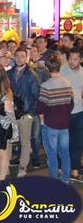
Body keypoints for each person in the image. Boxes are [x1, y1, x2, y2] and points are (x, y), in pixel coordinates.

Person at [38, 54, 74, 184]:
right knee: (65, 153)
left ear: (48, 69)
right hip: (64, 124)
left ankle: (54, 180)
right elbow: (71, 104)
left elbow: (41, 108)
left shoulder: (45, 85)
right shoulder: (67, 82)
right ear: (59, 67)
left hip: (50, 125)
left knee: (52, 154)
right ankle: (65, 178)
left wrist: (42, 123)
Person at [7, 47, 40, 177]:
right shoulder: (9, 74)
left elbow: (37, 96)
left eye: (22, 56)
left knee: (25, 142)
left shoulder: (31, 75)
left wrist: (30, 114)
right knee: (8, 140)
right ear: (14, 57)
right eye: (17, 56)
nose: (20, 58)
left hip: (25, 114)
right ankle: (6, 165)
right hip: (10, 113)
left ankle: (22, 167)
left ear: (26, 58)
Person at [60, 47, 83, 180]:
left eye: (76, 59)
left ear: (81, 59)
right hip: (64, 112)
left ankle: (74, 168)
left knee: (78, 142)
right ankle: (62, 167)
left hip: (80, 112)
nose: (72, 61)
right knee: (63, 142)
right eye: (70, 59)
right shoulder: (62, 70)